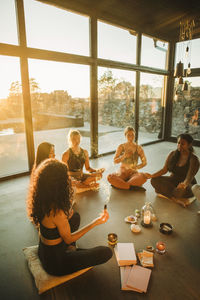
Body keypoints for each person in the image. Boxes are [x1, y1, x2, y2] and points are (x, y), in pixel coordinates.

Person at [27, 159, 112, 276]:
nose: (69, 178)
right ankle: (70, 251)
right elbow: (68, 239)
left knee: (75, 216)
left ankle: (71, 249)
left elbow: (56, 220)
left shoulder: (42, 198)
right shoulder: (57, 212)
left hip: (44, 251)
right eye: (66, 176)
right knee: (105, 252)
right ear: (58, 184)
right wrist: (95, 222)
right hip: (55, 263)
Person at [145, 133, 199, 205]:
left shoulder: (194, 159)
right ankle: (174, 198)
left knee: (180, 191)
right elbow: (164, 170)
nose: (179, 145)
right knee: (154, 180)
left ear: (189, 145)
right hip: (173, 180)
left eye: (182, 144)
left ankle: (170, 194)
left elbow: (189, 177)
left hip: (187, 184)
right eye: (178, 143)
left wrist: (183, 184)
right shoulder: (172, 154)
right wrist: (151, 175)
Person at [107, 126, 147, 190]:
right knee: (110, 177)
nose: (131, 137)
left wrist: (136, 167)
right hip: (122, 173)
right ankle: (131, 186)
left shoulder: (138, 148)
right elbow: (115, 161)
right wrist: (124, 156)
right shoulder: (121, 147)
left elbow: (144, 162)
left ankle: (122, 185)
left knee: (144, 177)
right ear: (125, 135)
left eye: (132, 135)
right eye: (128, 135)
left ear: (135, 135)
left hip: (133, 173)